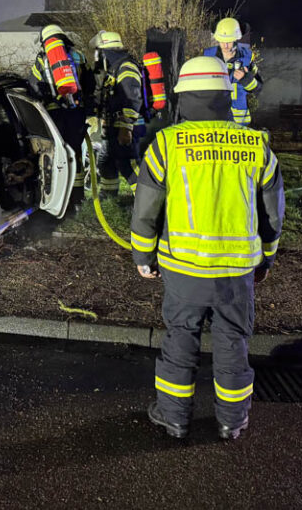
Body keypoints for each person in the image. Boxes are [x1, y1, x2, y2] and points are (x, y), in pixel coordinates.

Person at [131, 55, 284, 441]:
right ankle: (232, 421)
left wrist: (143, 256)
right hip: (236, 271)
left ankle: (174, 418)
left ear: (183, 96)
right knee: (233, 341)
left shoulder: (166, 144)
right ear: (225, 95)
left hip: (184, 268)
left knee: (181, 338)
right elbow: (272, 213)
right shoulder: (256, 145)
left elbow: (146, 209)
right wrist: (267, 257)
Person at [28, 24, 93, 208]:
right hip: (76, 112)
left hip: (55, 115)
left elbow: (34, 87)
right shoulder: (78, 56)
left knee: (58, 156)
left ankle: (60, 200)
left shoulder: (42, 59)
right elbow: (90, 84)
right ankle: (78, 200)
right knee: (75, 154)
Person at [89, 30, 143, 201]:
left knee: (127, 164)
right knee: (106, 161)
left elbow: (132, 99)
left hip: (127, 126)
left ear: (105, 52)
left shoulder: (126, 67)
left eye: (98, 53)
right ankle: (109, 198)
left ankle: (146, 200)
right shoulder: (114, 69)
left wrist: (125, 128)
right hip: (114, 126)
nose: (97, 58)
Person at [203, 17, 262, 125]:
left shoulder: (246, 58)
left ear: (236, 39)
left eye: (229, 41)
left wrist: (246, 79)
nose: (225, 46)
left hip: (238, 123)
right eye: (222, 41)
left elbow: (257, 88)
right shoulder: (207, 57)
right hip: (213, 120)